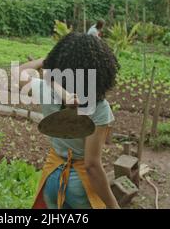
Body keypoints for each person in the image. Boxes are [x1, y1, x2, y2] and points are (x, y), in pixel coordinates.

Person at [18, 33, 120, 209]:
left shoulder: (46, 90)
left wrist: (46, 61)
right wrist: (113, 205)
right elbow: (92, 166)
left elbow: (19, 73)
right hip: (80, 186)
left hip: (52, 178)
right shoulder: (99, 108)